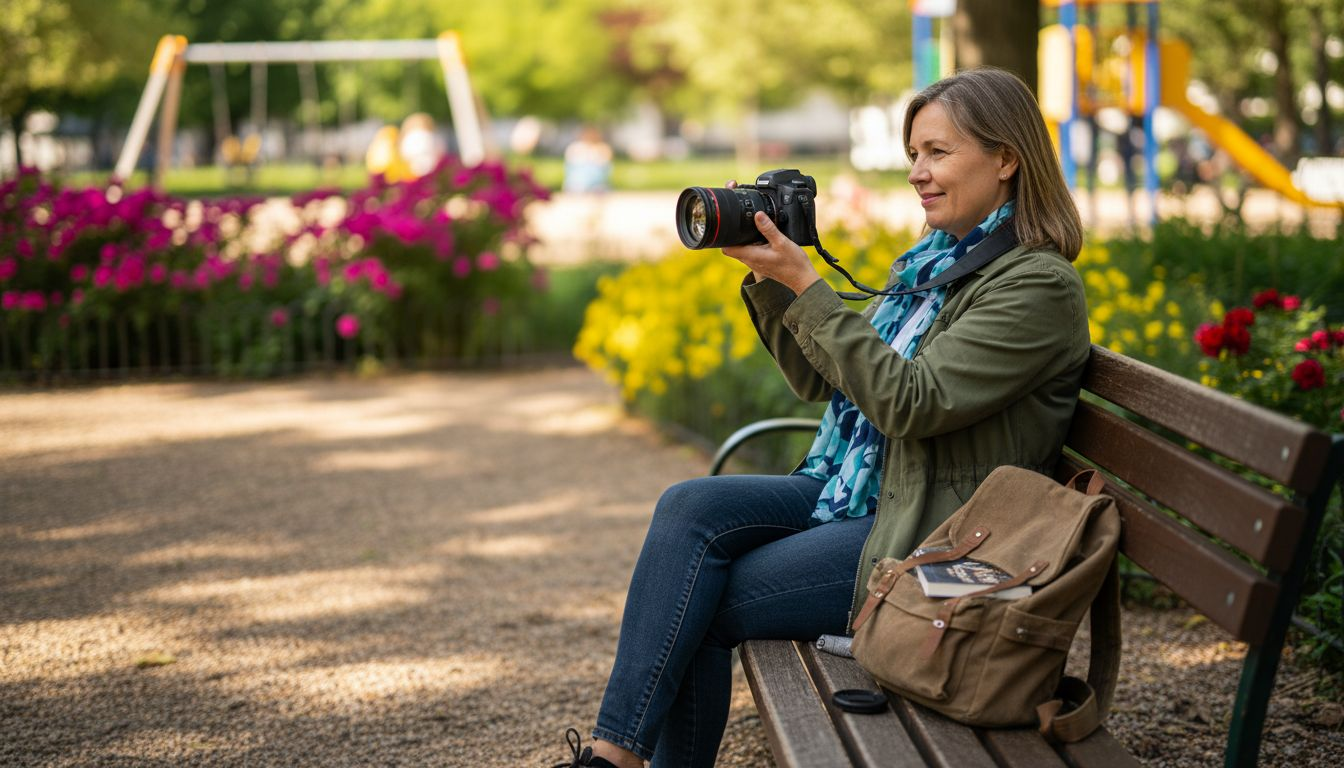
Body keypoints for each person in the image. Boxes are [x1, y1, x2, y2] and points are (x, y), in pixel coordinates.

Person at [551, 67, 1090, 768]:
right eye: (913, 156)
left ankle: (611, 764)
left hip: (932, 534)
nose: (917, 174)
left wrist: (810, 284)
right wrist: (775, 283)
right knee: (688, 507)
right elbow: (820, 381)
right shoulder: (937, 264)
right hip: (869, 490)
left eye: (937, 152)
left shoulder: (1035, 284)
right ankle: (614, 758)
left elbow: (910, 402)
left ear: (1007, 158)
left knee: (702, 605)